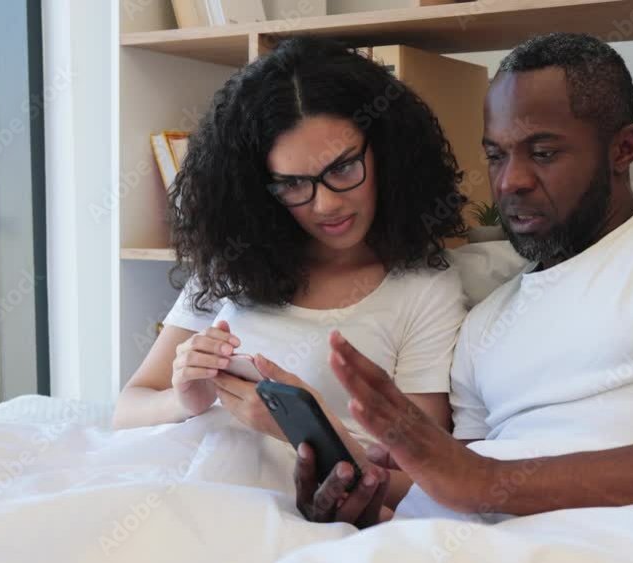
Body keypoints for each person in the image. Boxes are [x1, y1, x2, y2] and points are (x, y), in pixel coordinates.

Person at [294, 32, 633, 526]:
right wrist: (367, 494)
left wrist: (487, 481)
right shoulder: (485, 322)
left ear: (623, 148)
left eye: (543, 153)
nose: (511, 181)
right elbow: (464, 491)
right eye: (495, 156)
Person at [112, 36, 471, 513]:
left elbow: (427, 482)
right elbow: (127, 409)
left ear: (386, 153)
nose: (326, 204)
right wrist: (183, 400)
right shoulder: (233, 263)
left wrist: (304, 429)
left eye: (343, 168)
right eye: (294, 184)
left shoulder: (423, 289)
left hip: (272, 504)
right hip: (172, 476)